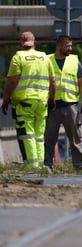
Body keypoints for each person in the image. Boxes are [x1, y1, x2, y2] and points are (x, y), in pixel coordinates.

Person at [2, 32, 56, 172]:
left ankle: (32, 166)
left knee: (28, 134)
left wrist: (6, 99)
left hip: (24, 102)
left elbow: (11, 81)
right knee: (39, 135)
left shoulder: (18, 57)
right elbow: (53, 81)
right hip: (42, 102)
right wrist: (51, 99)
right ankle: (41, 165)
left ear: (21, 43)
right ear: (34, 42)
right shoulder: (45, 57)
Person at [44, 35, 82, 172]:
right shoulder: (47, 60)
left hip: (71, 106)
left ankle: (79, 165)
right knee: (49, 138)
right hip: (52, 106)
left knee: (76, 138)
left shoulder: (75, 61)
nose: (70, 48)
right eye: (67, 45)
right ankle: (47, 165)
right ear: (59, 45)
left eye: (71, 45)